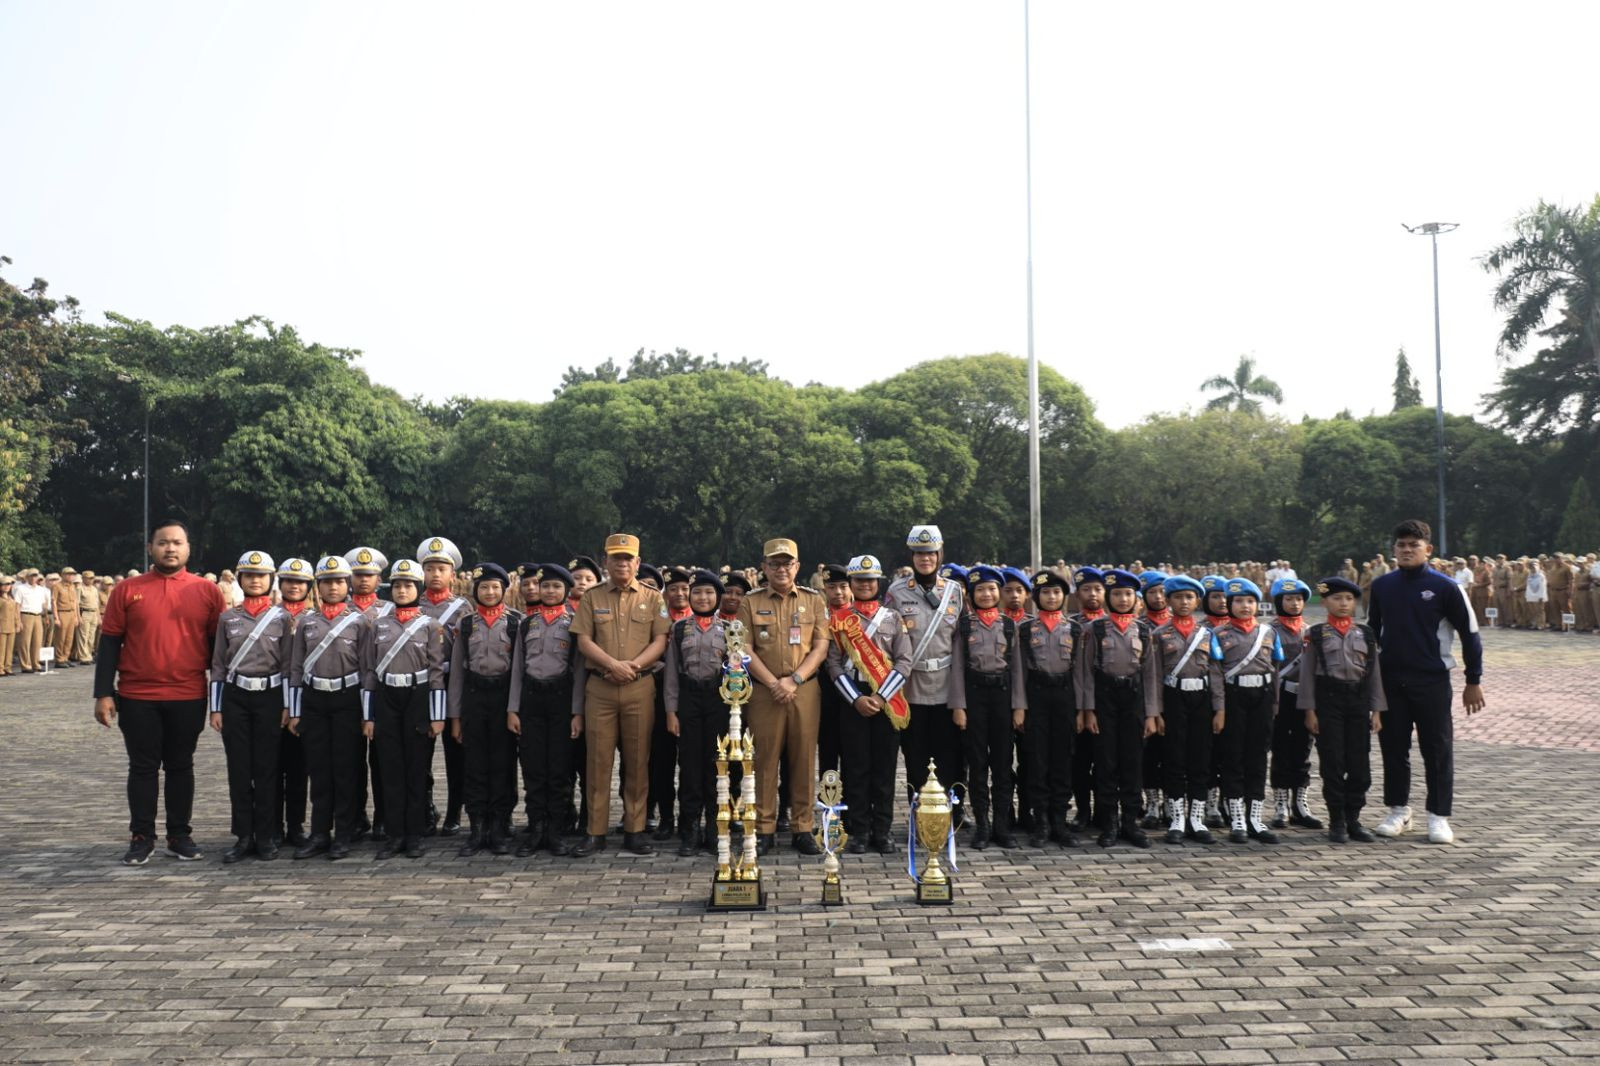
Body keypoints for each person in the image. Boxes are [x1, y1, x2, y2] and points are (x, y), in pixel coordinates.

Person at [93, 520, 228, 865]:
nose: (170, 548)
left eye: (177, 542)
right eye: (163, 542)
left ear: (188, 548)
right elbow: (109, 643)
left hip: (188, 693)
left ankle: (179, 835)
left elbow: (219, 652)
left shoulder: (207, 592)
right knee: (142, 767)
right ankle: (141, 836)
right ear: (150, 547)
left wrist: (221, 699)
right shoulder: (127, 590)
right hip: (138, 695)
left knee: (181, 766)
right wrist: (103, 692)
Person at [1368, 519, 1486, 845]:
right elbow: (1372, 635)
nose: (1406, 550)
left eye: (1413, 545)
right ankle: (1398, 810)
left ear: (1428, 550)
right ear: (1393, 549)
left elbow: (1471, 635)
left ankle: (1438, 816)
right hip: (1392, 680)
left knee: (1437, 749)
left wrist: (1473, 680)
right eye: (1401, 545)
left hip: (1431, 680)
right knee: (1393, 748)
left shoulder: (1447, 587)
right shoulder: (1382, 586)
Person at [570, 533, 671, 857]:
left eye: (628, 558)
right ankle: (595, 831)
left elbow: (660, 641)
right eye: (616, 558)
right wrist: (613, 664)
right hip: (600, 686)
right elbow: (584, 640)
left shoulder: (654, 598)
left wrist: (633, 666)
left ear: (638, 563)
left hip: (639, 687)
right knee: (597, 762)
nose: (622, 563)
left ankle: (634, 829)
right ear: (606, 563)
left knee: (637, 762)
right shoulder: (592, 597)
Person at [737, 536, 829, 857]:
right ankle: (763, 828)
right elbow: (743, 647)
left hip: (804, 689)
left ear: (797, 566)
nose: (780, 569)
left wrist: (795, 679)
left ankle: (803, 827)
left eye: (786, 563)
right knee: (764, 760)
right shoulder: (750, 602)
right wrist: (773, 681)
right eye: (773, 563)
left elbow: (820, 645)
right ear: (764, 567)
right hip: (764, 692)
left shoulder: (813, 600)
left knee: (803, 759)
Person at [208, 550, 293, 864]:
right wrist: (215, 708)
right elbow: (218, 665)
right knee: (239, 768)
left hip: (270, 697)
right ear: (240, 580)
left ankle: (267, 834)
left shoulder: (282, 618)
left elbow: (287, 666)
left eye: (261, 575)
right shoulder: (227, 618)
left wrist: (287, 706)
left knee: (268, 768)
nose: (255, 580)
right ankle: (243, 835)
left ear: (270, 580)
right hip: (236, 697)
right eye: (249, 575)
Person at [286, 554, 371, 860]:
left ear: (347, 585)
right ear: (317, 587)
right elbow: (296, 668)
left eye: (339, 581)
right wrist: (295, 711)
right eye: (327, 582)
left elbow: (367, 671)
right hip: (314, 700)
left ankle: (345, 832)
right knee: (319, 768)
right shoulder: (307, 621)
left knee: (346, 769)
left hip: (348, 699)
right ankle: (320, 832)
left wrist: (367, 713)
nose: (333, 587)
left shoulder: (360, 622)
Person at [360, 557, 446, 860]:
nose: (401, 590)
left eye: (408, 585)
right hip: (386, 698)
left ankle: (415, 834)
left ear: (417, 588)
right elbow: (370, 671)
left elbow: (437, 672)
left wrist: (437, 716)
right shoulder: (378, 624)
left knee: (416, 769)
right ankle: (394, 835)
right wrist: (368, 715)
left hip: (418, 697)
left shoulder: (429, 625)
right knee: (390, 769)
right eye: (397, 585)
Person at [826, 558, 911, 855]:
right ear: (851, 584)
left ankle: (882, 831)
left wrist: (881, 697)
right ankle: (859, 830)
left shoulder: (893, 618)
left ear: (879, 583)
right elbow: (833, 664)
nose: (865, 585)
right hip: (854, 697)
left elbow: (904, 661)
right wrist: (856, 699)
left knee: (885, 769)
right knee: (856, 767)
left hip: (885, 698)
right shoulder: (839, 619)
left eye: (871, 580)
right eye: (859, 580)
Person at [1074, 568, 1157, 849]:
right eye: (1117, 594)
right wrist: (1088, 710)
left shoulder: (1144, 630)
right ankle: (1108, 823)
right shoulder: (1094, 629)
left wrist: (1151, 714)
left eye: (1128, 594)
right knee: (1107, 762)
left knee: (1132, 763)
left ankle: (1130, 822)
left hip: (1133, 699)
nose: (1122, 599)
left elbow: (1150, 675)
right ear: (1109, 598)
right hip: (1104, 698)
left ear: (1136, 599)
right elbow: (1084, 672)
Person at [1300, 577, 1385, 843]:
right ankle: (1336, 820)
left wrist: (1377, 710)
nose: (1344, 603)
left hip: (1358, 701)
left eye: (1349, 599)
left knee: (1360, 764)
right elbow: (1307, 675)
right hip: (1328, 701)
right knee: (1333, 762)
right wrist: (1309, 710)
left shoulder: (1366, 634)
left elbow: (1373, 674)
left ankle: (1354, 819)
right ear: (1325, 602)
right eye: (1337, 598)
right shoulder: (1315, 634)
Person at [884, 525, 965, 801]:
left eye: (930, 553)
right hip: (911, 688)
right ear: (912, 557)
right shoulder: (896, 593)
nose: (925, 559)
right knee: (915, 755)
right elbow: (890, 641)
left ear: (940, 554)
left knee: (949, 755)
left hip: (945, 686)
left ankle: (949, 814)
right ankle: (919, 815)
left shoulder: (955, 592)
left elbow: (959, 643)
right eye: (919, 554)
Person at [948, 565, 1026, 850]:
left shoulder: (1008, 624)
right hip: (975, 697)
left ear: (999, 593)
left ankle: (1002, 826)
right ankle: (982, 825)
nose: (986, 593)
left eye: (992, 588)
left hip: (1003, 698)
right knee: (978, 765)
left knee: (1003, 765)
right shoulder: (965, 624)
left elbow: (1017, 669)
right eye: (980, 589)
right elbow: (957, 667)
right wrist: (959, 706)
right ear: (971, 594)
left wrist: (1019, 706)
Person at [507, 563, 581, 858]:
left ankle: (556, 830)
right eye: (545, 586)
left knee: (560, 769)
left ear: (566, 591)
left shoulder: (575, 624)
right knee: (534, 767)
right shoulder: (527, 624)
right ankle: (536, 828)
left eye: (556, 587)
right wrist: (513, 708)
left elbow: (578, 671)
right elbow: (516, 670)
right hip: (531, 701)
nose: (550, 591)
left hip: (561, 699)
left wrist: (578, 712)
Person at [447, 562, 521, 857]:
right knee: (475, 764)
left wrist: (514, 708)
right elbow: (456, 673)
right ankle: (477, 827)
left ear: (504, 589)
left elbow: (518, 671)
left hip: (504, 697)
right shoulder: (465, 625)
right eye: (484, 587)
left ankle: (500, 825)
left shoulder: (516, 623)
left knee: (503, 764)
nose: (489, 592)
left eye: (495, 587)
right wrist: (455, 717)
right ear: (475, 590)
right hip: (474, 698)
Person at [663, 569, 734, 857]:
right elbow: (671, 673)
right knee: (690, 766)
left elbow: (737, 674)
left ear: (718, 597)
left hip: (719, 699)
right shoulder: (679, 629)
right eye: (697, 593)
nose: (702, 598)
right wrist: (671, 711)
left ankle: (716, 827)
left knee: (718, 765)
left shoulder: (731, 629)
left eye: (708, 593)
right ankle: (689, 828)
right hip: (689, 699)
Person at [1209, 577, 1284, 845]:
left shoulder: (1268, 633)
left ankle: (1255, 818)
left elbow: (1274, 671)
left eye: (1250, 601)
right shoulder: (1217, 635)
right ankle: (1237, 819)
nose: (1245, 606)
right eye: (1238, 601)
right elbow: (1215, 675)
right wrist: (1219, 708)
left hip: (1261, 698)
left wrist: (1274, 704)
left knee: (1257, 756)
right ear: (1229, 604)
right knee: (1233, 757)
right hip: (1233, 697)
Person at [1148, 574, 1221, 845]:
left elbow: (1215, 672)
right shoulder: (1159, 634)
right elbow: (1153, 676)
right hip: (1173, 698)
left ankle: (1197, 819)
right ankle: (1177, 818)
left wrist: (1220, 709)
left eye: (1189, 597)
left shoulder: (1207, 633)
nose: (1184, 602)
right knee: (1174, 759)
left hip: (1201, 699)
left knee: (1200, 759)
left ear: (1198, 601)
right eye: (1177, 597)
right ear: (1168, 601)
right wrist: (1156, 712)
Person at [1018, 570, 1080, 848]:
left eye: (1057, 592)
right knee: (1037, 759)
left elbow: (1080, 673)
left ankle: (1060, 821)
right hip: (1037, 696)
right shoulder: (1024, 629)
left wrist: (1083, 709)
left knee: (1062, 759)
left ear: (1064, 597)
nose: (1052, 597)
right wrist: (1019, 706)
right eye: (1045, 592)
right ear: (1036, 597)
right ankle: (1041, 820)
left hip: (1065, 697)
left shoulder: (1075, 629)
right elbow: (1018, 671)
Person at [417, 536, 469, 835]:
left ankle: (454, 812)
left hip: (452, 682)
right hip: (421, 682)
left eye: (441, 568)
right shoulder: (413, 603)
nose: (435, 574)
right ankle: (425, 806)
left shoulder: (463, 608)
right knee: (420, 749)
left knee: (455, 749)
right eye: (430, 568)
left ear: (452, 574)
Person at [1267, 577, 1321, 832]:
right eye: (1288, 599)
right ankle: (1280, 806)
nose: (1294, 603)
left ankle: (1301, 805)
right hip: (1280, 698)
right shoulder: (1269, 632)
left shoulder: (1310, 632)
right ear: (1279, 601)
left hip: (1305, 699)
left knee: (1303, 750)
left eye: (1298, 598)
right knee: (1280, 750)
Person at [272, 557, 315, 848]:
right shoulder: (269, 615)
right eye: (289, 581)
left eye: (300, 582)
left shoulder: (317, 617)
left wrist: (295, 707)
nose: (294, 586)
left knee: (299, 768)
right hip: (271, 699)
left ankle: (297, 824)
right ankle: (274, 824)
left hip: (304, 700)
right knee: (272, 767)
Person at [51, 566, 80, 668]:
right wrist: (56, 617)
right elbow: (54, 601)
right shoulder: (57, 586)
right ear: (63, 575)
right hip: (62, 612)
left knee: (69, 638)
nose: (71, 576)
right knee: (61, 637)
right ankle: (59, 659)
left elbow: (75, 602)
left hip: (71, 613)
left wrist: (76, 616)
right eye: (69, 574)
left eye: (73, 574)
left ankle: (65, 657)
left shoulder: (72, 586)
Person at [0, 575, 17, 676]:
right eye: (4, 584)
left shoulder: (11, 598)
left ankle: (8, 667)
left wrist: (17, 623)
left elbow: (15, 612)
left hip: (11, 625)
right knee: (1, 649)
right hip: (2, 626)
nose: (7, 586)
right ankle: (0, 668)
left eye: (9, 584)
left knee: (9, 648)